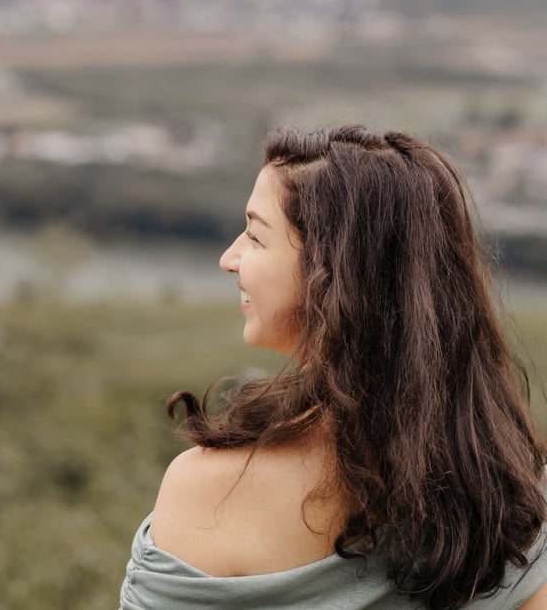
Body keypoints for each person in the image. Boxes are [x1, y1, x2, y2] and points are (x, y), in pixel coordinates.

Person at [119, 125, 547, 609]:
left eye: (256, 236)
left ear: (331, 273)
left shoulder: (209, 491)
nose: (229, 258)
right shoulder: (519, 499)